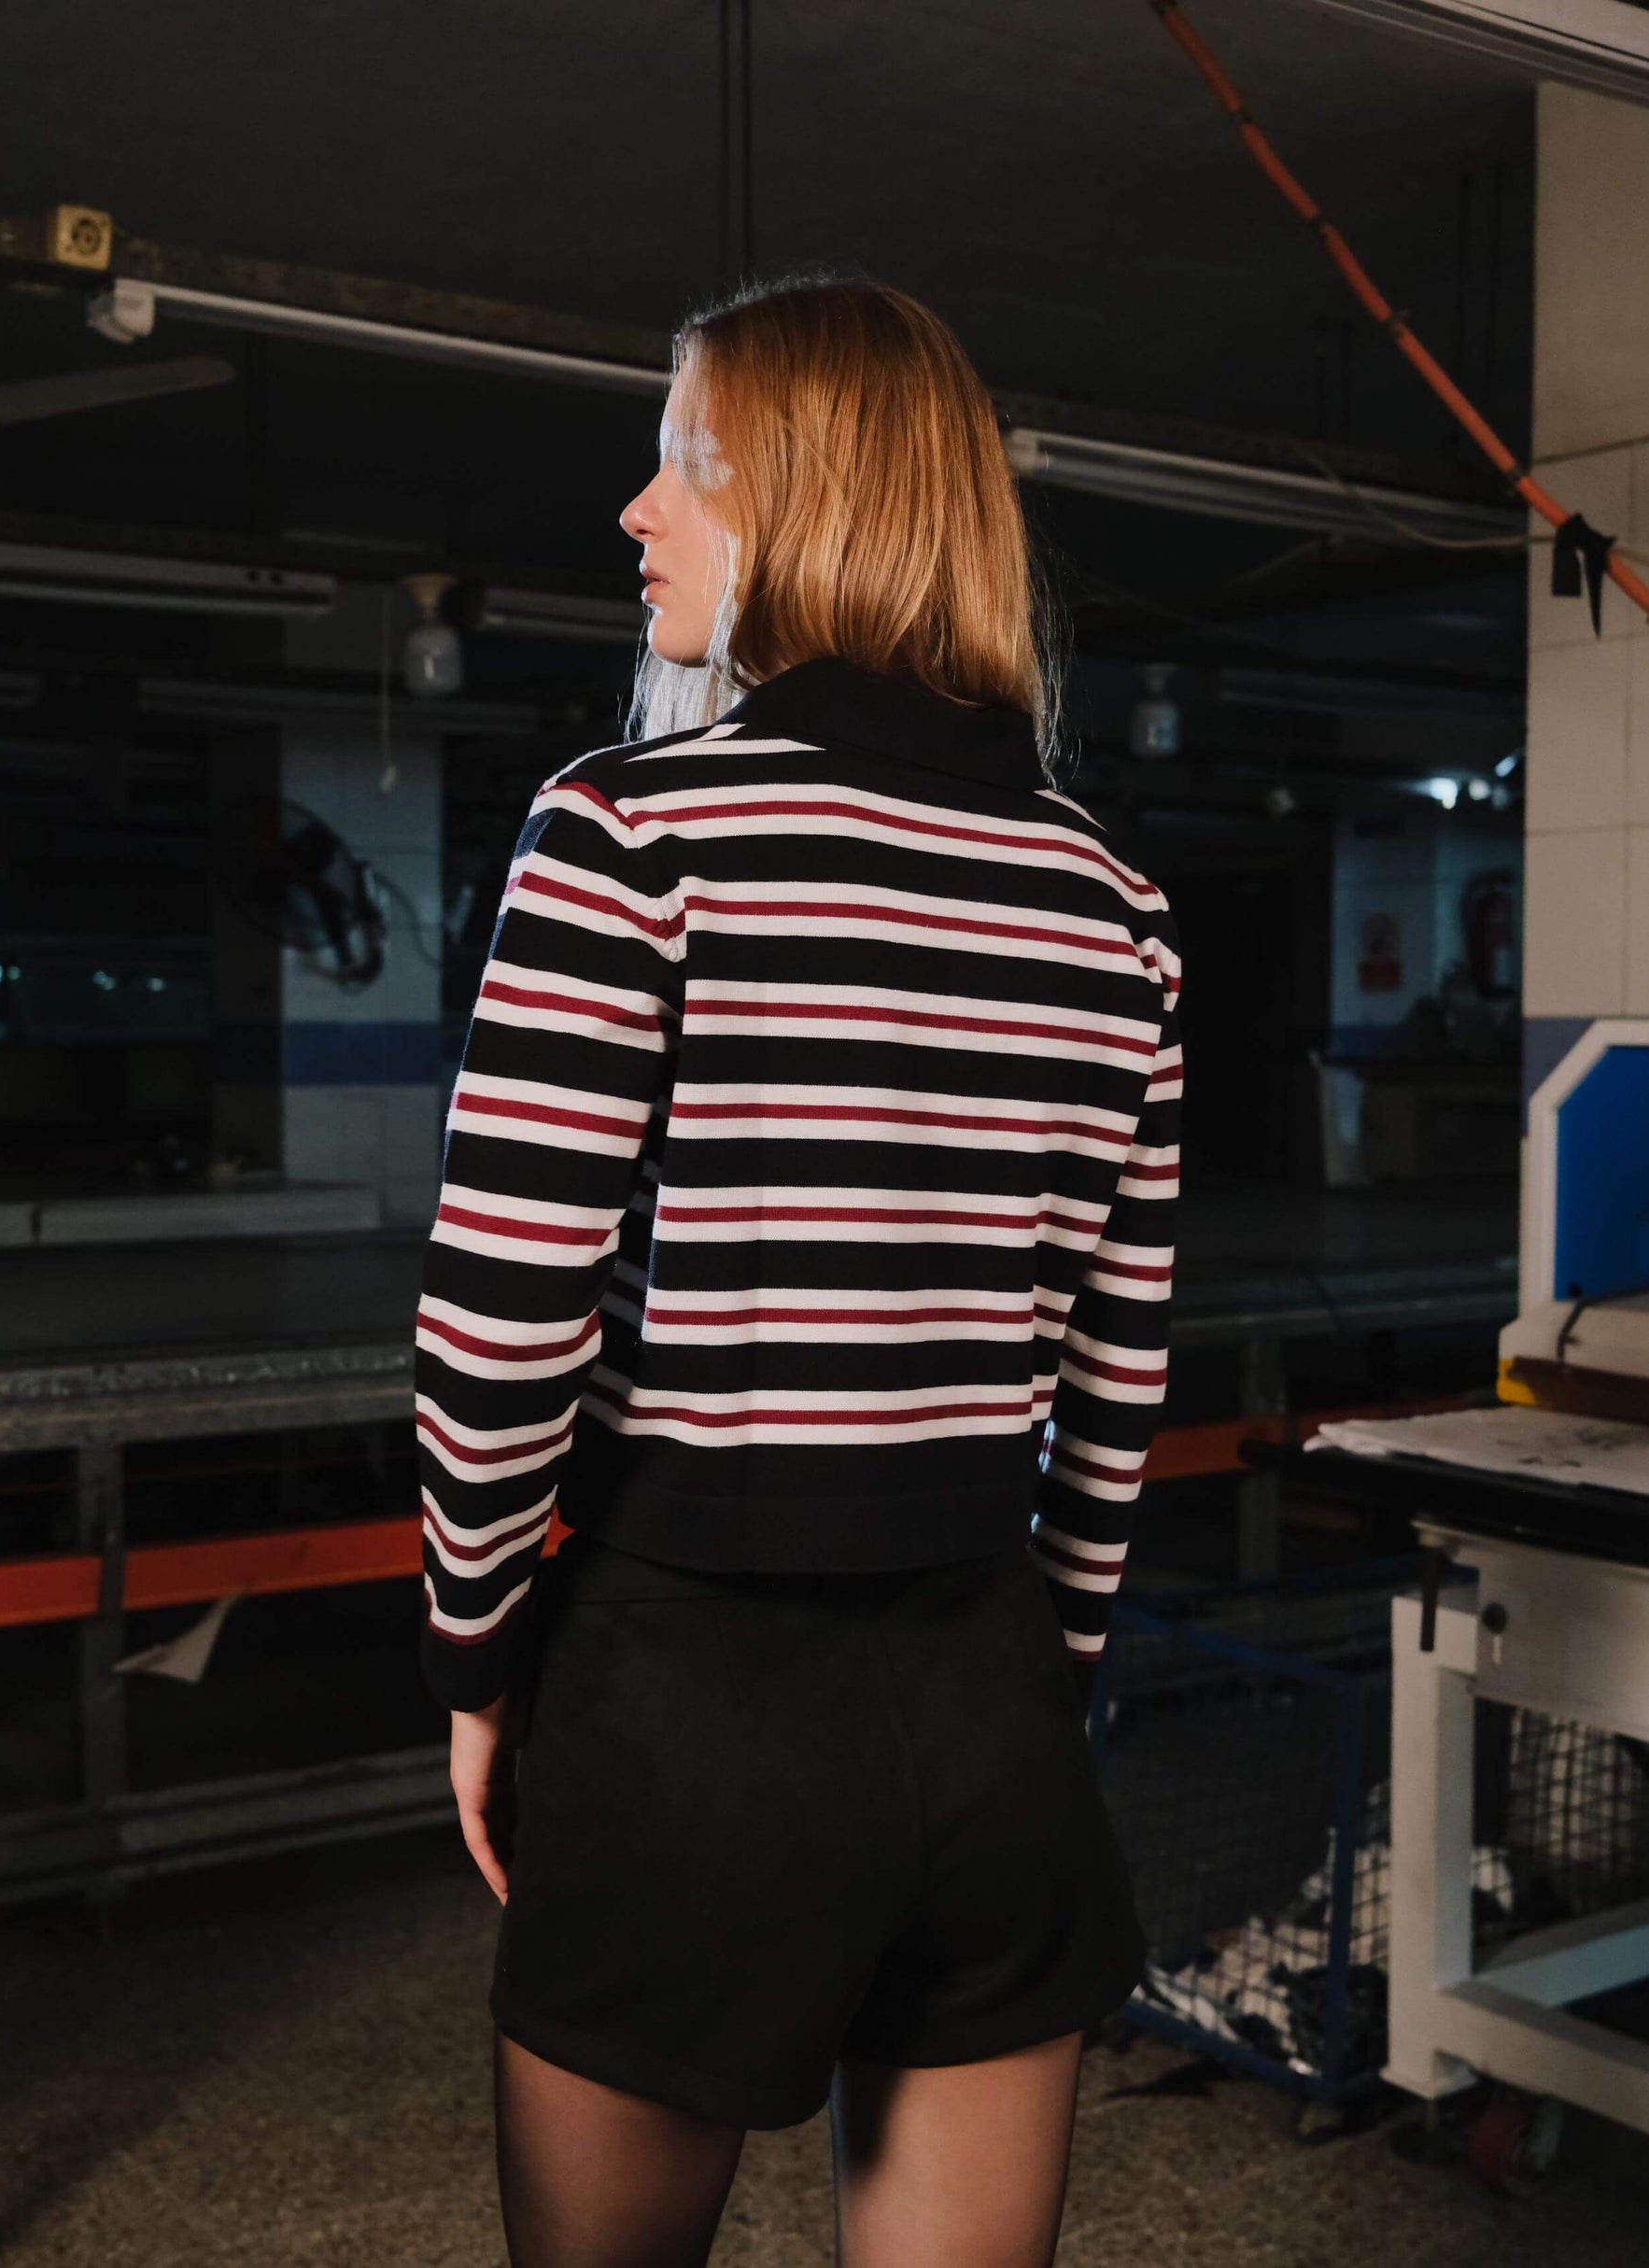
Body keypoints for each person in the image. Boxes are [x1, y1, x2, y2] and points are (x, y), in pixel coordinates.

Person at [415, 275, 1180, 2268]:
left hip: (692, 1693)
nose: (633, 512)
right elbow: (1115, 1373)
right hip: (992, 1694)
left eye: (681, 460)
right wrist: (1048, 1669)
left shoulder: (628, 832)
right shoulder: (1114, 902)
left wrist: (478, 1656)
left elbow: (503, 1320)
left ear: (811, 493)